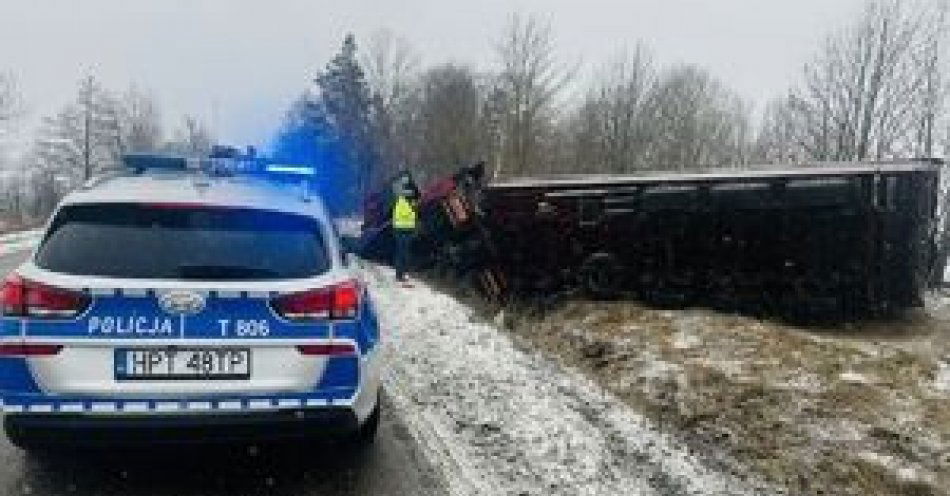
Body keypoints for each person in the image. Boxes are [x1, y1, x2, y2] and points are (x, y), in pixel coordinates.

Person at [392, 189, 417, 282]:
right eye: (410, 196)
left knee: (403, 252)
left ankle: (401, 273)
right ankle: (400, 274)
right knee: (402, 253)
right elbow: (406, 215)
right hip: (402, 231)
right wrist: (412, 208)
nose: (412, 198)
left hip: (404, 230)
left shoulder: (404, 203)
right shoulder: (403, 204)